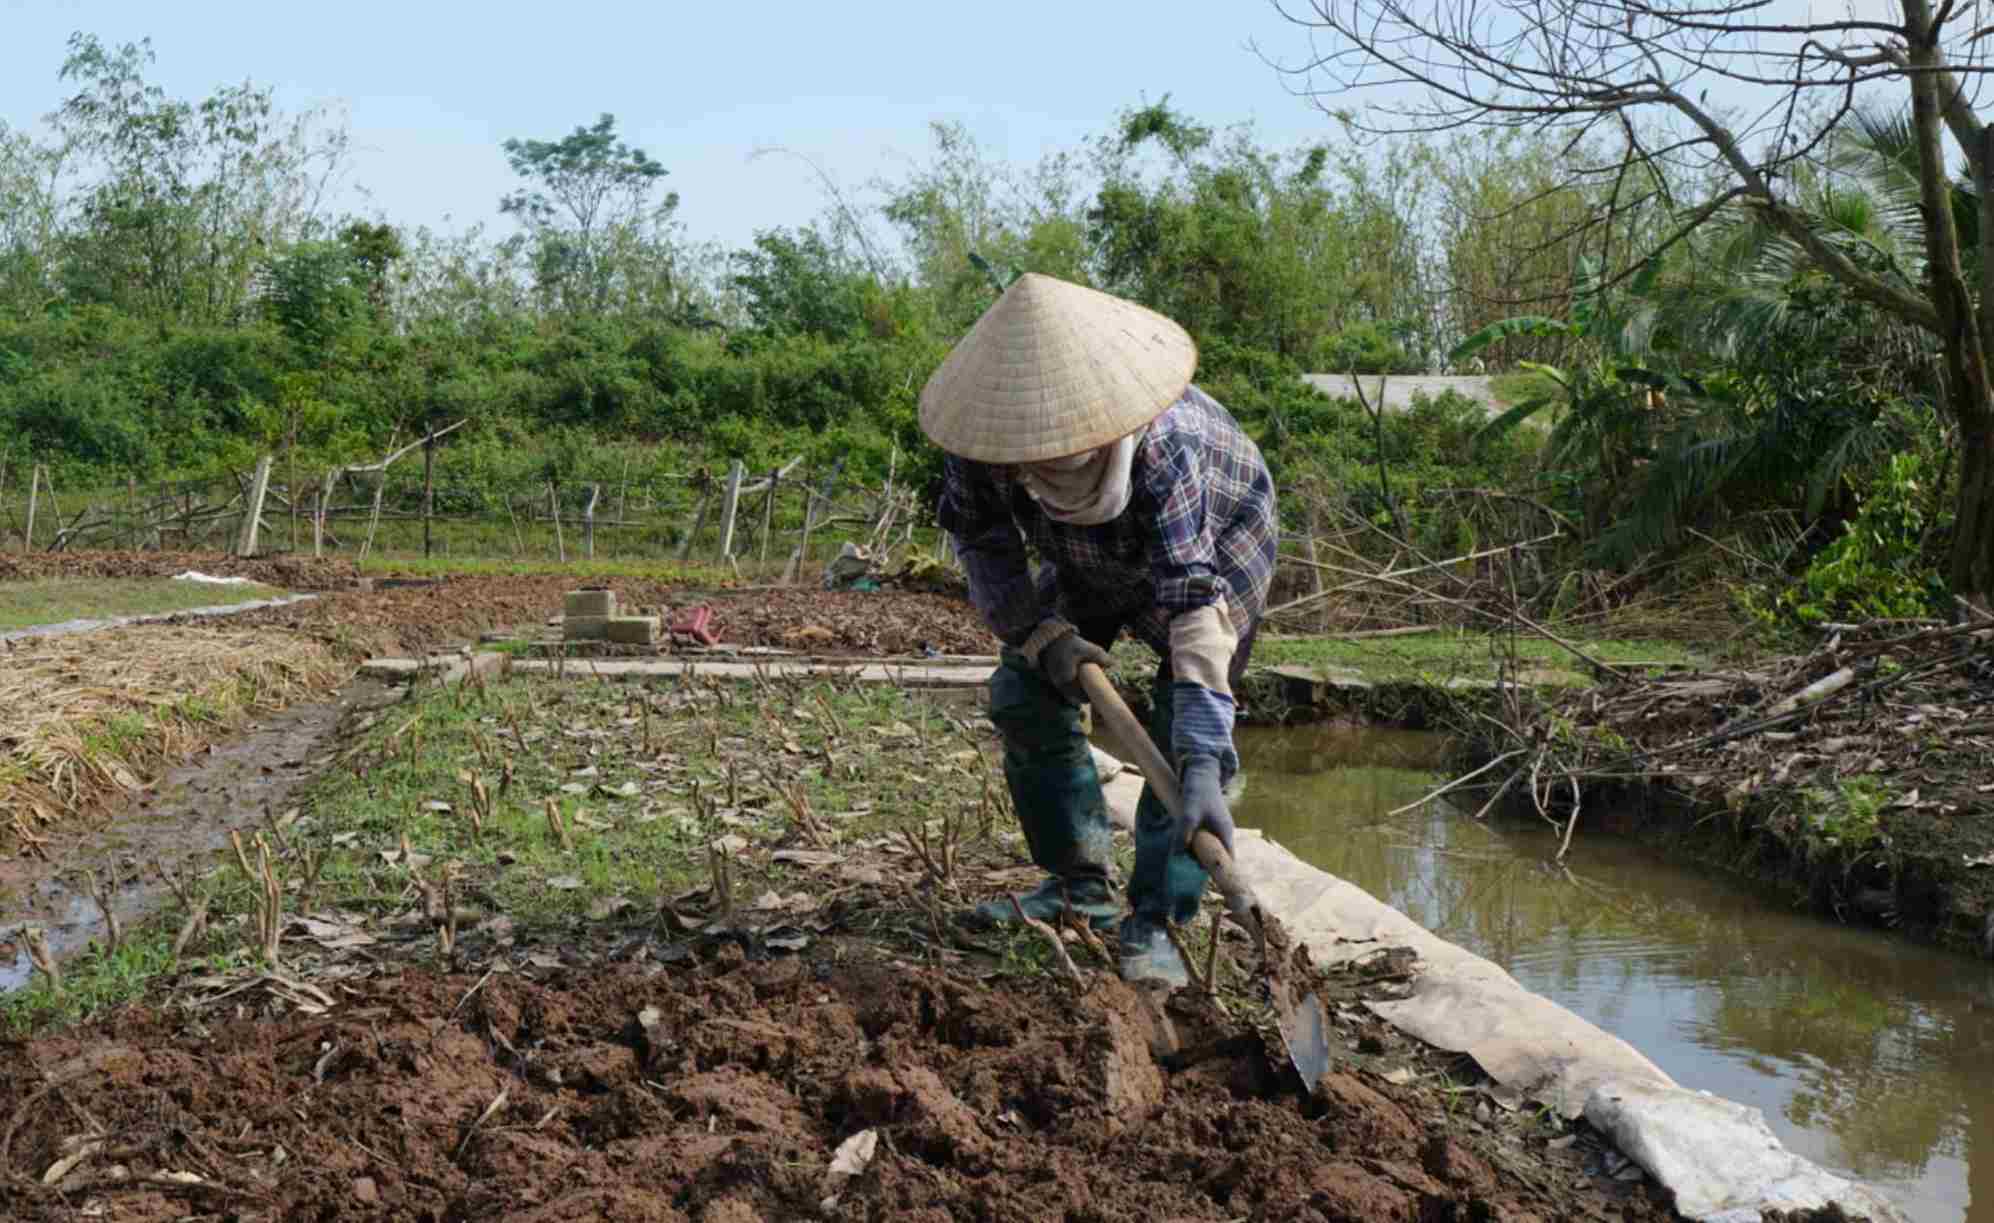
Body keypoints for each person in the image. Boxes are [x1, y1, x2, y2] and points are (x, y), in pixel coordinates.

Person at [919, 273, 1278, 988]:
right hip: (1081, 558)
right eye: (1032, 448)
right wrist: (1036, 634)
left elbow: (1192, 602)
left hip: (1216, 551)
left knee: (1185, 721)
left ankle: (1162, 918)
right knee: (1024, 691)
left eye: (1065, 442)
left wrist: (1203, 757)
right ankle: (1079, 882)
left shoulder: (1167, 448)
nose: (1047, 453)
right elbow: (984, 543)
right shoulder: (983, 443)